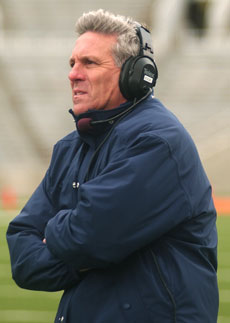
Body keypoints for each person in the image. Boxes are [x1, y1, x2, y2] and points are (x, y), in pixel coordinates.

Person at [6, 9, 219, 323]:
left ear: (135, 73)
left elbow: (87, 238)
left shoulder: (158, 142)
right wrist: (83, 247)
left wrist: (56, 230)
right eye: (72, 63)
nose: (73, 74)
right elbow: (24, 257)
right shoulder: (69, 148)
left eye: (89, 63)